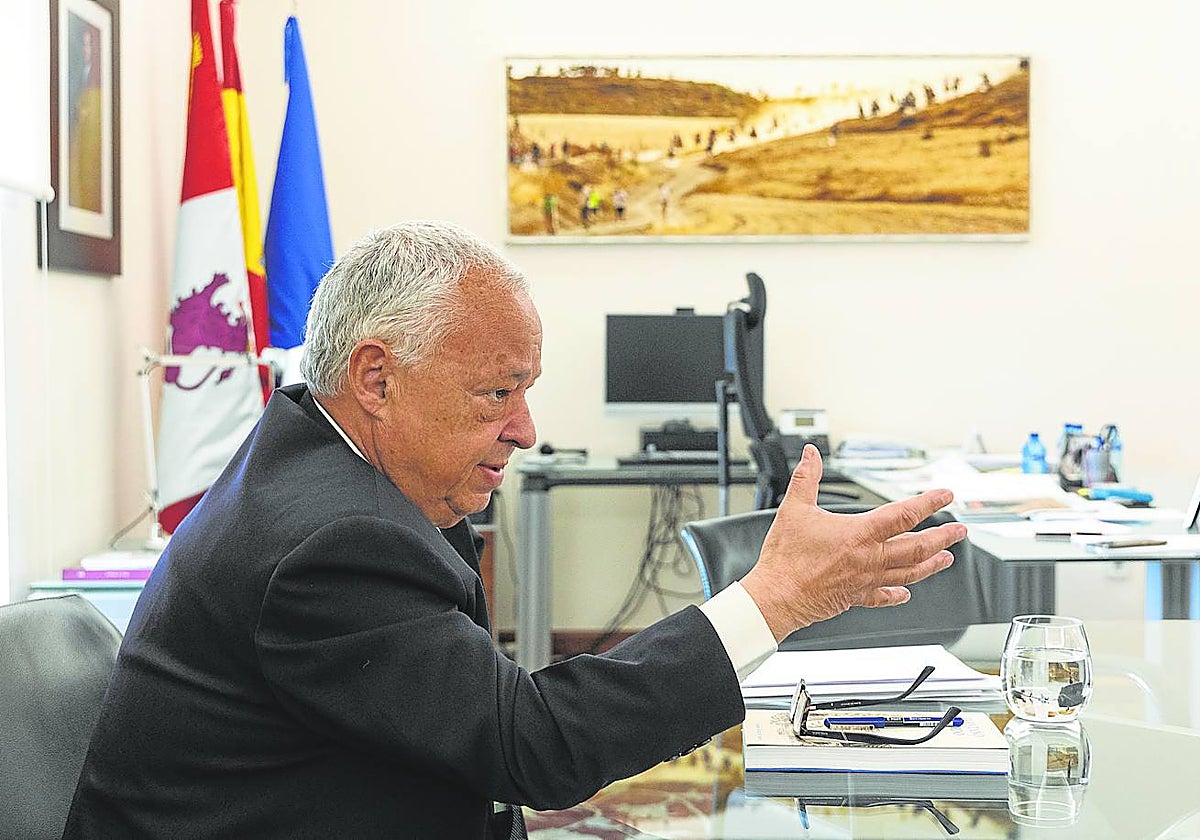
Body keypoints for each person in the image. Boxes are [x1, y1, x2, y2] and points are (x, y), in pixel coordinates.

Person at [62, 221, 964, 839]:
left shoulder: (331, 466)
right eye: (498, 392)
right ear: (375, 378)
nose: (527, 430)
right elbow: (530, 746)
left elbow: (479, 714)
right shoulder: (325, 544)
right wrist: (772, 602)